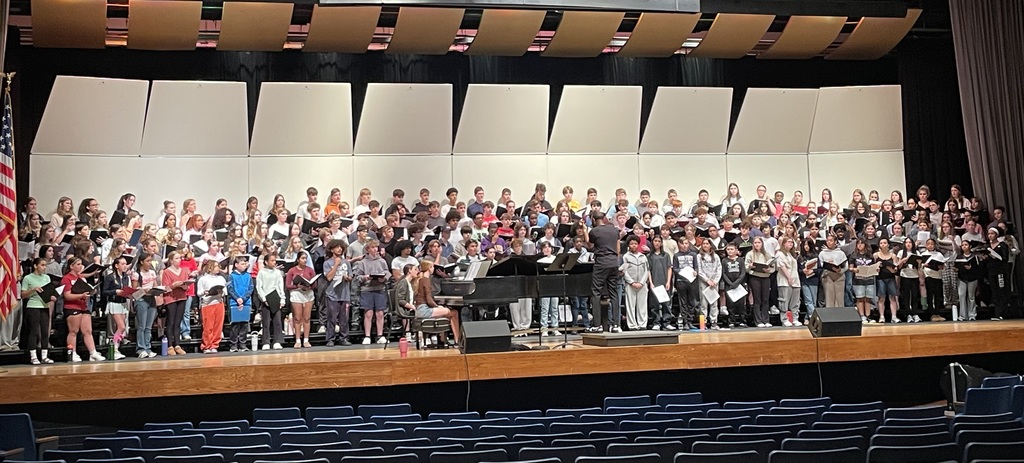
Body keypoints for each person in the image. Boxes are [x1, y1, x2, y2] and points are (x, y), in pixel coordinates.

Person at [62, 256, 104, 362]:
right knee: (73, 331)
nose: (81, 266)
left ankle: (93, 353)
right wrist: (81, 295)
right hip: (72, 307)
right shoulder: (67, 279)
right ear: (71, 266)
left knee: (88, 331)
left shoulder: (81, 277)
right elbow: (67, 295)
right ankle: (73, 353)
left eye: (81, 264)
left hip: (83, 306)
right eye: (78, 264)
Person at [588, 211, 622, 333]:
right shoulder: (614, 230)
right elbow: (618, 249)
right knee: (614, 293)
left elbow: (590, 245)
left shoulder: (594, 231)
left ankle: (597, 325)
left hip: (601, 263)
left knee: (596, 293)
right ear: (604, 218)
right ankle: (616, 325)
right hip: (613, 262)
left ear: (593, 219)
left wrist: (584, 230)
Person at [413, 260, 461, 344]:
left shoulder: (421, 279)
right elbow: (429, 300)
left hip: (419, 309)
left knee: (445, 313)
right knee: (454, 313)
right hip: (424, 310)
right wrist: (437, 306)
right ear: (429, 268)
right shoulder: (426, 280)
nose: (433, 269)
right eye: (432, 267)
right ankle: (457, 340)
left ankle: (443, 339)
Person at [21, 258, 57, 364]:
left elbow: (49, 292)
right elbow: (23, 295)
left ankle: (44, 356)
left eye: (45, 265)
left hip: (44, 306)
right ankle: (33, 356)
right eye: (42, 265)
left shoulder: (46, 277)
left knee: (45, 331)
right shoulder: (28, 278)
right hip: (33, 306)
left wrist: (52, 297)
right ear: (35, 266)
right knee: (34, 331)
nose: (44, 267)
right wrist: (33, 290)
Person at [355, 240, 390, 344]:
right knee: (368, 313)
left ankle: (380, 335)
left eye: (376, 247)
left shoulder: (382, 261)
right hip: (367, 290)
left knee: (380, 313)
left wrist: (384, 278)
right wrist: (365, 277)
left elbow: (387, 273)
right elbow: (357, 277)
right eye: (373, 247)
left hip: (379, 289)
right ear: (368, 249)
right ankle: (367, 336)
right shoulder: (362, 262)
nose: (375, 249)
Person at [101, 255, 132, 360]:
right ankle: (114, 348)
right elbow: (104, 292)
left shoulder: (126, 277)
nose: (125, 266)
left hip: (123, 303)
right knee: (121, 327)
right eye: (122, 264)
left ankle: (116, 348)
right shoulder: (110, 277)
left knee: (122, 328)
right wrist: (115, 292)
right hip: (114, 303)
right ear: (116, 265)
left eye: (125, 264)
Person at [323, 239, 353, 346]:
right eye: (337, 247)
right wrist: (336, 265)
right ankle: (330, 338)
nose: (339, 249)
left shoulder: (346, 262)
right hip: (332, 294)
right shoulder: (327, 263)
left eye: (341, 247)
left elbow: (351, 276)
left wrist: (347, 278)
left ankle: (343, 338)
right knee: (331, 317)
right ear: (331, 249)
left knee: (344, 318)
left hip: (344, 294)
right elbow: (329, 277)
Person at [161, 251, 191, 355]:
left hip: (181, 297)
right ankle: (170, 345)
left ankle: (177, 345)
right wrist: (174, 285)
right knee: (171, 321)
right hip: (171, 298)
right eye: (177, 258)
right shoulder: (166, 272)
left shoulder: (184, 271)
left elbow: (187, 286)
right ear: (171, 260)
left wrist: (184, 286)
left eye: (180, 258)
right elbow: (165, 288)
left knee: (178, 322)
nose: (179, 260)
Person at [285, 250, 316, 348]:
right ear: (298, 259)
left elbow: (315, 284)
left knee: (307, 318)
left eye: (306, 258)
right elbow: (288, 285)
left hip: (308, 293)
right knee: (297, 318)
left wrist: (309, 286)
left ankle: (306, 339)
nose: (305, 260)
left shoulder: (310, 270)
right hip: (297, 293)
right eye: (302, 258)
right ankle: (297, 340)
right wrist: (297, 286)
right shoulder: (292, 270)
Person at [196, 259, 227, 354]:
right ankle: (206, 345)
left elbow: (225, 291)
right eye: (216, 266)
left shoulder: (221, 278)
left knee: (218, 326)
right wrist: (206, 292)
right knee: (208, 326)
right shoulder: (203, 279)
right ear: (210, 268)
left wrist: (221, 291)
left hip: (219, 303)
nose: (218, 268)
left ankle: (214, 345)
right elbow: (199, 293)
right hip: (208, 304)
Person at [745, 236, 775, 328]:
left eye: (759, 242)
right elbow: (746, 267)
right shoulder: (750, 254)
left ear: (762, 244)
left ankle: (766, 320)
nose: (757, 244)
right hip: (755, 277)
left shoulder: (766, 254)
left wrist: (769, 270)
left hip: (765, 277)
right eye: (755, 243)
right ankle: (758, 321)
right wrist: (750, 266)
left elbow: (773, 267)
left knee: (765, 299)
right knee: (757, 299)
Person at [621, 235, 650, 331]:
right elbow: (624, 271)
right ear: (628, 245)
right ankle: (632, 325)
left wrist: (642, 282)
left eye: (635, 244)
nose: (634, 245)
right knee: (630, 305)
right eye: (631, 244)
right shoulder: (626, 257)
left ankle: (642, 324)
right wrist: (631, 282)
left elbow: (647, 270)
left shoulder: (643, 257)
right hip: (630, 285)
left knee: (642, 305)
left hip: (642, 285)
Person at [646, 235, 674, 330]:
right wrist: (651, 283)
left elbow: (669, 268)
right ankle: (656, 322)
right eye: (655, 241)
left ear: (661, 243)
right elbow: (648, 270)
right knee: (655, 304)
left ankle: (667, 322)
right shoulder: (649, 256)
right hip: (655, 282)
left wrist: (668, 281)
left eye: (659, 241)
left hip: (664, 282)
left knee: (666, 303)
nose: (657, 243)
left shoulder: (666, 255)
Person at [673, 237, 699, 330]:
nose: (685, 245)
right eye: (683, 243)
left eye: (686, 243)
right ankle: (685, 322)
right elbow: (675, 268)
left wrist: (696, 271)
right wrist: (682, 272)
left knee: (692, 302)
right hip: (681, 281)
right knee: (683, 302)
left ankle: (690, 320)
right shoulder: (676, 255)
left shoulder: (693, 254)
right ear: (679, 245)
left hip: (691, 281)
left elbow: (696, 266)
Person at [697, 239, 723, 330]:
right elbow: (699, 270)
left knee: (714, 303)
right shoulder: (699, 256)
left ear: (710, 245)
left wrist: (715, 281)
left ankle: (714, 322)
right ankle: (703, 323)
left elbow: (719, 269)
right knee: (703, 303)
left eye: (707, 244)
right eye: (703, 244)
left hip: (714, 283)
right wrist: (707, 280)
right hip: (703, 282)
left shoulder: (716, 256)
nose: (705, 245)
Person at [849, 239, 877, 324]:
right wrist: (854, 269)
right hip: (858, 279)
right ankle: (862, 315)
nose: (860, 245)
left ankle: (868, 315)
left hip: (869, 279)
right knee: (860, 297)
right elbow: (850, 268)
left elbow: (873, 265)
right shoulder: (853, 255)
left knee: (868, 298)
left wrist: (876, 269)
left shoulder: (870, 255)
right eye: (858, 244)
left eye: (862, 243)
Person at [720, 243, 747, 328]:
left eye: (732, 249)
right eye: (728, 249)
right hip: (729, 285)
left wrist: (736, 283)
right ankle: (731, 321)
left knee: (741, 304)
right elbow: (723, 273)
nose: (730, 251)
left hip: (739, 285)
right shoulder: (724, 260)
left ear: (736, 250)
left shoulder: (740, 260)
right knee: (730, 304)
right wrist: (730, 283)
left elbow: (743, 272)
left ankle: (742, 321)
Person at [775, 237, 801, 326]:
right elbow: (782, 266)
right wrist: (789, 277)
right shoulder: (779, 254)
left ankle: (795, 318)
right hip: (784, 280)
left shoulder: (791, 254)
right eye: (788, 242)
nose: (791, 244)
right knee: (784, 300)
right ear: (783, 243)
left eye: (792, 242)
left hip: (795, 280)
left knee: (795, 301)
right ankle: (784, 319)